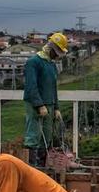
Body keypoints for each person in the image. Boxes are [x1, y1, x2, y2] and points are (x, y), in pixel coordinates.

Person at [23, 32, 68, 167]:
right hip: (35, 104)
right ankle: (32, 167)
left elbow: (53, 88)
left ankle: (42, 166)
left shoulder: (51, 65)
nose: (57, 55)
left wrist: (57, 108)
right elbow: (31, 86)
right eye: (57, 51)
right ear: (51, 48)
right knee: (34, 135)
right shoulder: (34, 62)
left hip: (50, 104)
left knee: (47, 136)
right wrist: (39, 105)